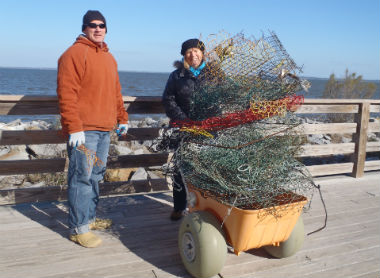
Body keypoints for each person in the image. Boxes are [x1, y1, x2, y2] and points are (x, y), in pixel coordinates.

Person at [56, 10, 128, 248]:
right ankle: (78, 228)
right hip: (84, 132)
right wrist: (74, 127)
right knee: (81, 178)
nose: (98, 29)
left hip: (105, 129)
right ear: (84, 28)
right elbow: (67, 95)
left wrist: (122, 117)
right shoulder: (73, 54)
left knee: (95, 177)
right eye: (92, 25)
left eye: (102, 25)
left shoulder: (109, 57)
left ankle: (89, 219)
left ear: (106, 29)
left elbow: (116, 92)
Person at [162, 38, 207, 221]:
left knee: (205, 169)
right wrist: (185, 120)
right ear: (184, 56)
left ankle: (204, 207)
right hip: (183, 129)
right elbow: (168, 100)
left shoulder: (215, 74)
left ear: (203, 53)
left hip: (208, 129)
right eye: (189, 52)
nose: (193, 54)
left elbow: (223, 98)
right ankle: (179, 207)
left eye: (196, 51)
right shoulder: (176, 76)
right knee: (180, 169)